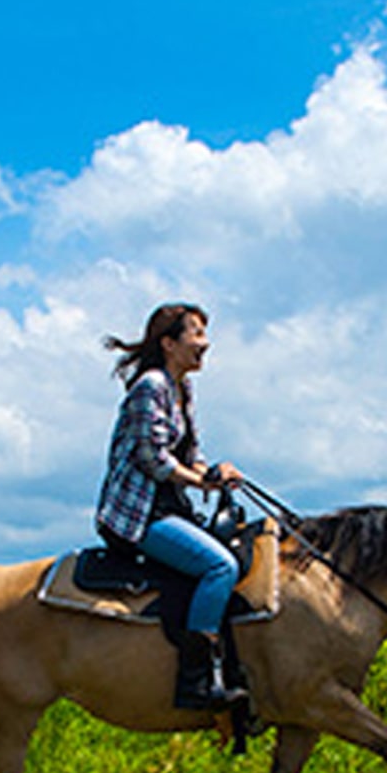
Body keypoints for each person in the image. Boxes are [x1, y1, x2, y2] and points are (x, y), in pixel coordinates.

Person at [95, 302, 247, 710]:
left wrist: (214, 471)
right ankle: (195, 681)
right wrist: (201, 480)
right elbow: (153, 459)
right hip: (138, 514)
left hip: (168, 508)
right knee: (220, 567)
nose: (205, 343)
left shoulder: (182, 389)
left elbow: (189, 453)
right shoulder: (152, 386)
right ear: (168, 343)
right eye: (196, 334)